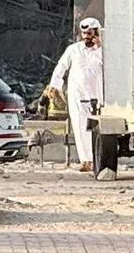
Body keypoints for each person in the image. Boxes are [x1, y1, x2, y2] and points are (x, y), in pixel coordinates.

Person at [46, 17, 104, 173]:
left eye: (90, 33)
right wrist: (54, 86)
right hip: (77, 94)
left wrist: (100, 48)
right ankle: (86, 160)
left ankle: (97, 159)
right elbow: (61, 67)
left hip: (98, 96)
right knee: (79, 127)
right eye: (84, 33)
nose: (86, 37)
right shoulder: (74, 49)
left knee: (98, 129)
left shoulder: (103, 51)